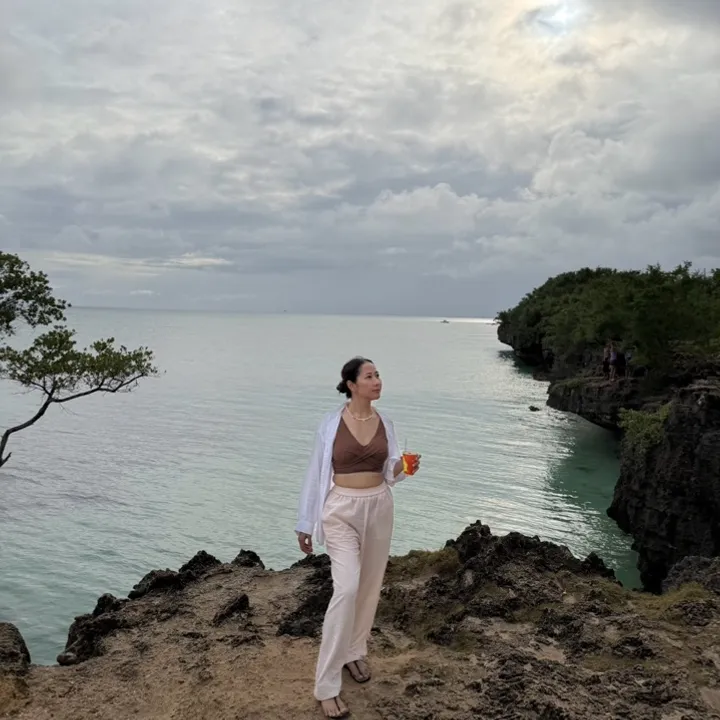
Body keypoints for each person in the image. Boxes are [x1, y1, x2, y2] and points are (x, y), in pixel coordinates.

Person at [295, 357, 421, 718]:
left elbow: (390, 471)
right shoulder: (330, 424)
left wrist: (406, 467)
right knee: (347, 589)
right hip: (340, 509)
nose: (377, 381)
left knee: (368, 587)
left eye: (378, 375)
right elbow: (315, 473)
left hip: (379, 506)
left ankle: (354, 651)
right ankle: (326, 685)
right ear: (351, 384)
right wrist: (305, 523)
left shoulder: (386, 422)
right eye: (369, 376)